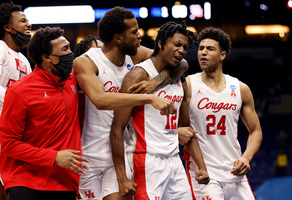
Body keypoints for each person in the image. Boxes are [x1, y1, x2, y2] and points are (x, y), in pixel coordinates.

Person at [73, 6, 187, 200]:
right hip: (89, 155)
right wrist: (149, 97)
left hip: (122, 152)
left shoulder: (134, 55)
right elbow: (101, 100)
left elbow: (181, 63)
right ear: (118, 38)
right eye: (134, 32)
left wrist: (155, 82)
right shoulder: (86, 62)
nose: (139, 35)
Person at [110, 21, 210, 200]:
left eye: (185, 47)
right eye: (177, 44)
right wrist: (122, 178)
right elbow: (117, 129)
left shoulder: (179, 77)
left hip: (174, 161)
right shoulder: (137, 76)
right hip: (147, 161)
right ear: (161, 43)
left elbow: (187, 129)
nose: (182, 50)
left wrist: (202, 167)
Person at [0, 26, 89, 200]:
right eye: (65, 50)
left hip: (65, 182)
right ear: (46, 57)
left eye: (70, 47)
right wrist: (54, 157)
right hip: (26, 182)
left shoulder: (73, 80)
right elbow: (9, 144)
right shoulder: (19, 91)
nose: (71, 54)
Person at [183, 27, 263, 200]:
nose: (203, 53)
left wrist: (246, 157)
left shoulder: (240, 89)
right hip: (204, 175)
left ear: (223, 55)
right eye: (201, 48)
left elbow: (255, 130)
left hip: (235, 173)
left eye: (210, 49)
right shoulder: (188, 86)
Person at [0, 1, 32, 199]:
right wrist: (17, 104)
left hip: (12, 133)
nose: (28, 25)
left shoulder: (25, 60)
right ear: (7, 27)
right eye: (23, 21)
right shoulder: (0, 48)